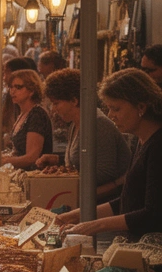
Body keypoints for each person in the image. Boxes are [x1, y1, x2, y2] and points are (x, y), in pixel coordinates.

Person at [62, 69, 162, 239]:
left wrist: (94, 226)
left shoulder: (157, 147)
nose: (111, 115)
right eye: (108, 108)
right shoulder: (141, 140)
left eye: (115, 108)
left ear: (141, 107)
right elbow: (128, 200)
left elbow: (152, 214)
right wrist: (79, 214)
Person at [36, 69, 132, 199]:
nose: (53, 109)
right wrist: (58, 161)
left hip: (103, 204)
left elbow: (105, 173)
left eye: (56, 103)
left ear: (74, 100)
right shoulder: (75, 124)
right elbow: (83, 162)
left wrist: (61, 177)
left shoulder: (97, 124)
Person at [5, 69, 52, 170]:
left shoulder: (37, 115)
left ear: (31, 91)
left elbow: (31, 158)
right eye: (11, 87)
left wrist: (4, 161)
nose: (12, 91)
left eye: (18, 87)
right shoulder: (22, 114)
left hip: (35, 176)